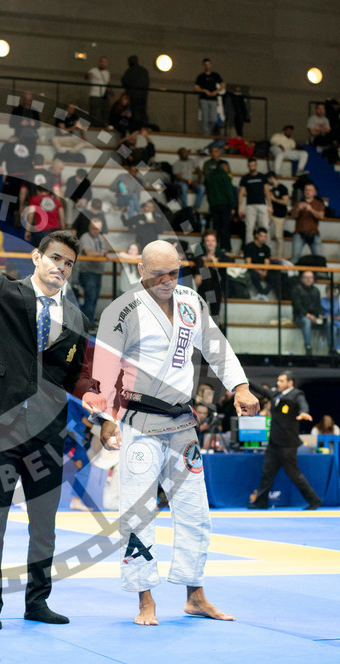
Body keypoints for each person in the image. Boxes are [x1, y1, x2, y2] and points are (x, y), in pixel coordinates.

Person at [0, 226, 103, 631]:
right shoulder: (4, 294)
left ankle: (37, 601)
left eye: (68, 263)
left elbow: (76, 375)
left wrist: (96, 399)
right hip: (4, 426)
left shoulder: (76, 317)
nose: (61, 267)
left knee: (44, 525)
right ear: (36, 258)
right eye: (55, 258)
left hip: (49, 430)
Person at [89, 239, 257, 626]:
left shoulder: (191, 302)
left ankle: (194, 594)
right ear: (142, 272)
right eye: (158, 274)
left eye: (174, 272)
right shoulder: (122, 310)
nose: (167, 280)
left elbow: (215, 346)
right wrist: (108, 419)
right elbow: (104, 369)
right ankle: (145, 600)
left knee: (196, 512)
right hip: (139, 421)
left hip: (181, 424)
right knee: (138, 511)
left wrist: (240, 386)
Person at [248, 373, 322, 510]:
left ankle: (315, 500)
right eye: (278, 380)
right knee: (267, 474)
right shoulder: (275, 394)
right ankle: (261, 503)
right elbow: (262, 390)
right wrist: (245, 380)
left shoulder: (297, 394)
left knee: (295, 475)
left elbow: (303, 404)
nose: (278, 383)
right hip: (274, 443)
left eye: (281, 381)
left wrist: (304, 412)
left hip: (287, 445)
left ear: (290, 383)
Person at [291, 270, 340, 356]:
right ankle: (308, 347)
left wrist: (318, 316)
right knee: (306, 321)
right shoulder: (296, 290)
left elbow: (317, 306)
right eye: (306, 278)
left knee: (328, 322)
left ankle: (332, 349)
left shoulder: (316, 290)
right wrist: (309, 315)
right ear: (302, 279)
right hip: (300, 316)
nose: (309, 280)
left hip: (314, 317)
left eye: (310, 278)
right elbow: (298, 307)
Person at [78, 218, 112, 324]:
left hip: (98, 271)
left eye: (98, 229)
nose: (96, 231)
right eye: (93, 229)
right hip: (87, 271)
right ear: (89, 227)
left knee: (95, 297)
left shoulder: (101, 238)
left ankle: (89, 321)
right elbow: (89, 252)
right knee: (90, 297)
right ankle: (88, 324)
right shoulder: (85, 237)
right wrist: (104, 255)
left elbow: (105, 249)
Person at [237, 157, 270, 245]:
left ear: (256, 165)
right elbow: (241, 193)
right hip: (250, 205)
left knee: (265, 227)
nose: (252, 167)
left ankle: (266, 247)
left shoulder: (262, 177)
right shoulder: (245, 178)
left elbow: (267, 191)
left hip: (262, 204)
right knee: (249, 228)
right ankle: (249, 248)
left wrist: (270, 206)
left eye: (253, 165)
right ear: (248, 166)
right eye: (250, 166)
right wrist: (240, 207)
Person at [289, 183, 325, 262]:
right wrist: (298, 209)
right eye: (306, 190)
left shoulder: (318, 204)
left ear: (314, 192)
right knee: (295, 257)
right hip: (299, 233)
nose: (308, 192)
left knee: (319, 258)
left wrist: (311, 209)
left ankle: (320, 274)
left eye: (310, 190)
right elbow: (293, 216)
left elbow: (321, 216)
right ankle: (292, 274)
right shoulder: (298, 203)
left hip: (314, 233)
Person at [205, 160, 236, 250]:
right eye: (227, 167)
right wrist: (232, 205)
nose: (228, 169)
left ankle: (216, 247)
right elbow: (229, 192)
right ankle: (225, 247)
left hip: (214, 206)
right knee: (225, 227)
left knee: (216, 227)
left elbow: (209, 193)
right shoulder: (225, 176)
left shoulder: (210, 176)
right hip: (225, 205)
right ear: (223, 166)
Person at [242, 227, 274, 300]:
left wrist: (265, 271)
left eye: (265, 236)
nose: (263, 238)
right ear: (256, 235)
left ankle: (263, 293)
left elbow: (267, 262)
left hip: (263, 270)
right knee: (253, 275)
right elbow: (248, 263)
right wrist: (260, 272)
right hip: (252, 269)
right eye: (261, 236)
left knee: (275, 276)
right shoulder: (249, 247)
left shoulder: (266, 248)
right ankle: (262, 293)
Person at [194, 58, 224, 135]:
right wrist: (204, 90)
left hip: (213, 99)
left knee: (213, 118)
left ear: (211, 65)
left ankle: (209, 132)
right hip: (204, 99)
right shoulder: (201, 76)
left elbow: (223, 85)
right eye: (206, 65)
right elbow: (196, 87)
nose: (207, 66)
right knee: (205, 118)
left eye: (209, 65)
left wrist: (216, 91)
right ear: (203, 66)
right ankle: (206, 134)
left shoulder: (215, 75)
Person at [121, 55, 150, 129]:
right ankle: (143, 127)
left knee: (132, 113)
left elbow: (124, 82)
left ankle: (132, 127)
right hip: (142, 96)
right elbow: (147, 83)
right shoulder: (144, 71)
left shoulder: (130, 71)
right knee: (141, 112)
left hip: (132, 97)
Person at [86, 56, 112, 125]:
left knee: (105, 111)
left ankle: (103, 126)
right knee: (95, 112)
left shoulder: (107, 73)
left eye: (105, 62)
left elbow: (107, 84)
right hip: (95, 94)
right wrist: (89, 76)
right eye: (102, 62)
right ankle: (94, 125)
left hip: (103, 95)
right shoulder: (93, 70)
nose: (103, 64)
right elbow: (87, 76)